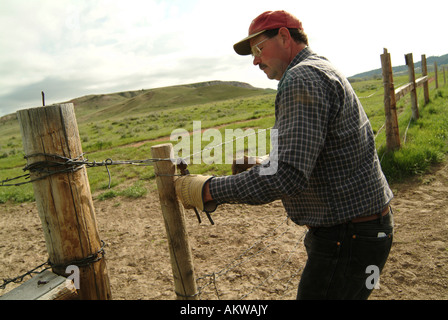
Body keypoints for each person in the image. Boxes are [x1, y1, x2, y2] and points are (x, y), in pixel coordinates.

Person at [175, 10, 394, 300]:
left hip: (347, 239)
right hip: (364, 232)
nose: (254, 60)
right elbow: (314, 151)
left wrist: (205, 189)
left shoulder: (301, 78)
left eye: (258, 49)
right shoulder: (320, 68)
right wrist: (265, 161)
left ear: (283, 36)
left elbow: (286, 175)